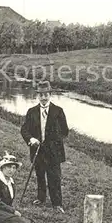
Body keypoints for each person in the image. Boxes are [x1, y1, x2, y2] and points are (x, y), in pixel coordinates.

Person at [20, 80, 69, 214]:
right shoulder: (32, 112)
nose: (43, 97)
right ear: (38, 96)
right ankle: (41, 198)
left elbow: (65, 131)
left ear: (50, 94)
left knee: (54, 178)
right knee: (40, 175)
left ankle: (57, 204)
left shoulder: (58, 111)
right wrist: (31, 139)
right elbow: (24, 130)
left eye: (46, 94)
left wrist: (53, 142)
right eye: (41, 95)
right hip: (37, 151)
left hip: (53, 152)